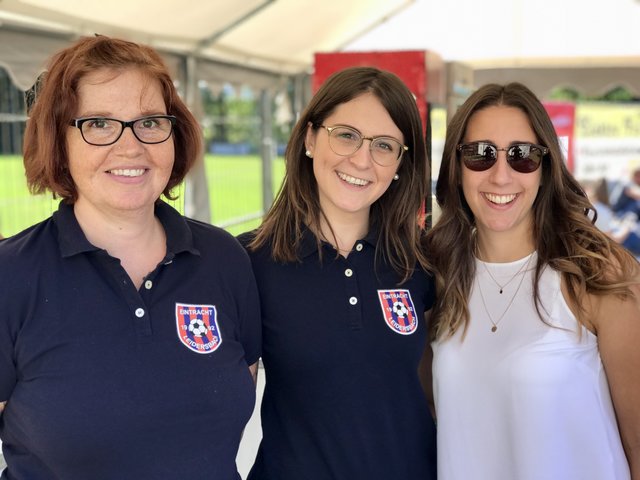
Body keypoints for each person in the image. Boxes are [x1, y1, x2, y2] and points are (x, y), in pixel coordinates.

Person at [0, 35, 261, 479]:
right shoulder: (11, 275)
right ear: (58, 139)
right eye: (100, 123)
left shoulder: (224, 259)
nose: (131, 146)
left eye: (150, 122)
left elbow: (239, 388)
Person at [425, 82, 640, 480]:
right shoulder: (437, 274)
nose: (501, 176)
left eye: (522, 156)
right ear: (456, 167)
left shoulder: (596, 273)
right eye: (480, 154)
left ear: (545, 168)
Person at [239, 66, 437, 479]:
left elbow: (436, 390)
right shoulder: (250, 261)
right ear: (310, 138)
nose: (362, 160)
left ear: (401, 162)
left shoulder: (422, 261)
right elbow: (218, 409)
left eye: (384, 146)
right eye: (346, 135)